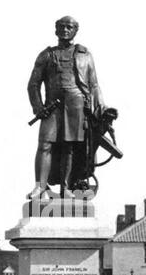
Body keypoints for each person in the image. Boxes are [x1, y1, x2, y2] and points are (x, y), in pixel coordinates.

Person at [27, 16, 106, 200]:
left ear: (75, 30)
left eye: (69, 27)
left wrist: (100, 105)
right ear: (55, 30)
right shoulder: (46, 54)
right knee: (45, 144)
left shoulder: (85, 55)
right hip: (52, 105)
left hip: (76, 104)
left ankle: (66, 188)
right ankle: (40, 187)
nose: (65, 30)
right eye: (61, 27)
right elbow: (33, 84)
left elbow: (93, 84)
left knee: (69, 147)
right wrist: (38, 107)